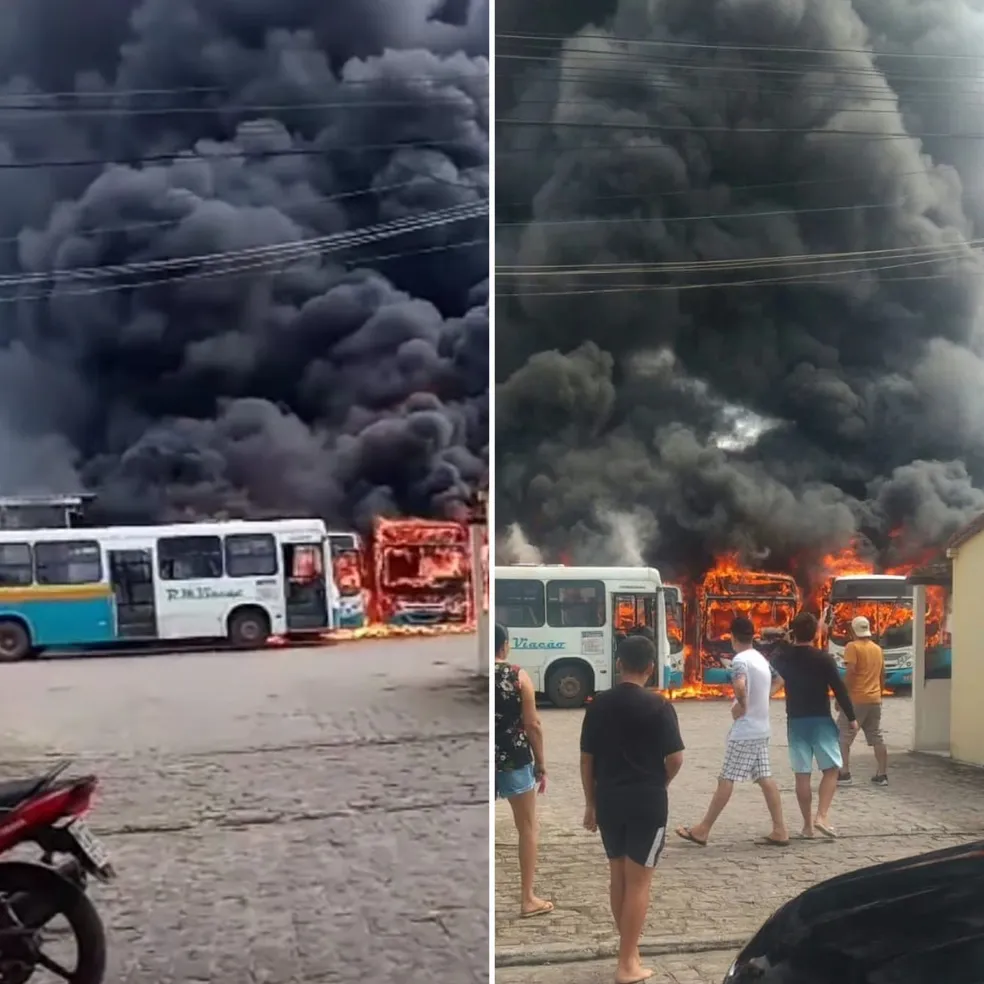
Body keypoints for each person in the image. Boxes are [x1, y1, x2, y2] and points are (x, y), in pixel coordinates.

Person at [580, 635, 685, 984]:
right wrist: (661, 783)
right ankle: (627, 963)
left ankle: (629, 950)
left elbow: (587, 760)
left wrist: (590, 802)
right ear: (651, 667)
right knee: (639, 882)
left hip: (609, 799)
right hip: (647, 800)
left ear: (619, 663)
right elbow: (675, 758)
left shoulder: (597, 704)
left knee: (618, 875)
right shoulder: (659, 706)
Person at [676, 616, 788, 848]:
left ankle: (703, 829)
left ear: (733, 638)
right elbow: (780, 681)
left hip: (746, 730)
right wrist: (760, 699)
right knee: (765, 777)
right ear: (752, 636)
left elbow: (738, 685)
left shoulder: (739, 660)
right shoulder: (760, 658)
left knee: (726, 778)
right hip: (762, 727)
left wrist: (743, 705)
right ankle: (780, 829)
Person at [771, 612, 859, 840]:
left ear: (794, 632)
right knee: (831, 769)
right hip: (820, 718)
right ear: (815, 633)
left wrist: (785, 641)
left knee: (802, 774)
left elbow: (775, 659)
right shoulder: (823, 659)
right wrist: (851, 716)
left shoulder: (786, 659)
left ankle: (807, 826)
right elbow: (839, 688)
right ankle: (822, 816)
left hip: (796, 721)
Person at [494, 622, 552, 918]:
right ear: (504, 646)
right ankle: (527, 898)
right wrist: (541, 764)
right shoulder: (517, 675)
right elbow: (532, 724)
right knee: (527, 826)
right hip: (513, 757)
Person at [837, 615, 888, 787]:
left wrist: (841, 697)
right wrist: (879, 694)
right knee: (876, 737)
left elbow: (850, 673)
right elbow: (882, 675)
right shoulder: (877, 649)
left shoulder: (852, 647)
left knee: (843, 735)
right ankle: (882, 774)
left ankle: (844, 773)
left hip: (855, 700)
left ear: (853, 631)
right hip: (874, 699)